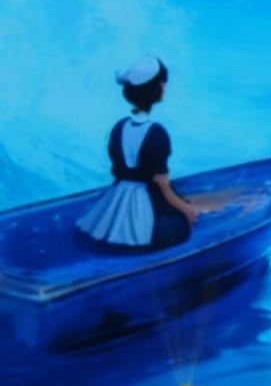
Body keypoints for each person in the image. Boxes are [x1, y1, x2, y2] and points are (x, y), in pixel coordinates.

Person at [76, 56, 201, 249]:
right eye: (162, 84)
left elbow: (118, 170)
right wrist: (188, 210)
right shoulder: (157, 132)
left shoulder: (119, 127)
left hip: (116, 200)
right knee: (179, 225)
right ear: (157, 89)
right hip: (144, 211)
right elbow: (163, 187)